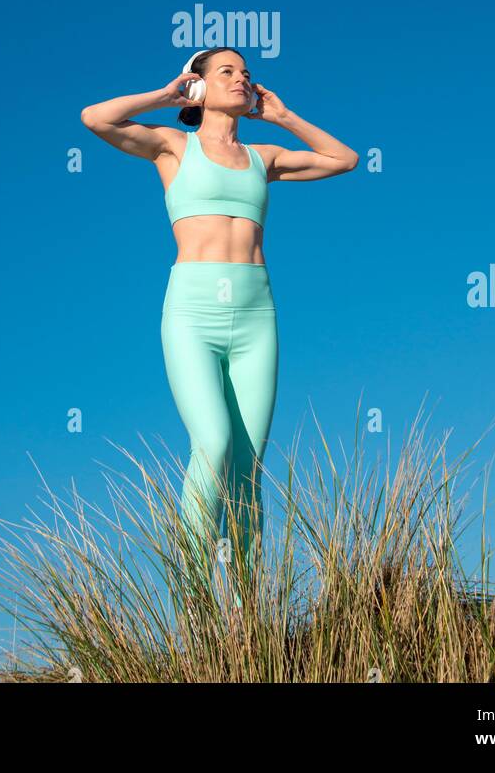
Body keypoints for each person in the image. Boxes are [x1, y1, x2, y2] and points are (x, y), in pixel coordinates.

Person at [80, 48, 358, 587]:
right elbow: (96, 118)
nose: (241, 79)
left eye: (246, 73)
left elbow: (344, 159)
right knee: (212, 444)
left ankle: (244, 615)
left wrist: (281, 116)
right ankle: (195, 601)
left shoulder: (265, 157)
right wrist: (166, 95)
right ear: (200, 87)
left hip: (257, 314)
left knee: (247, 470)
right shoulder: (171, 148)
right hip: (193, 310)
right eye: (226, 72)